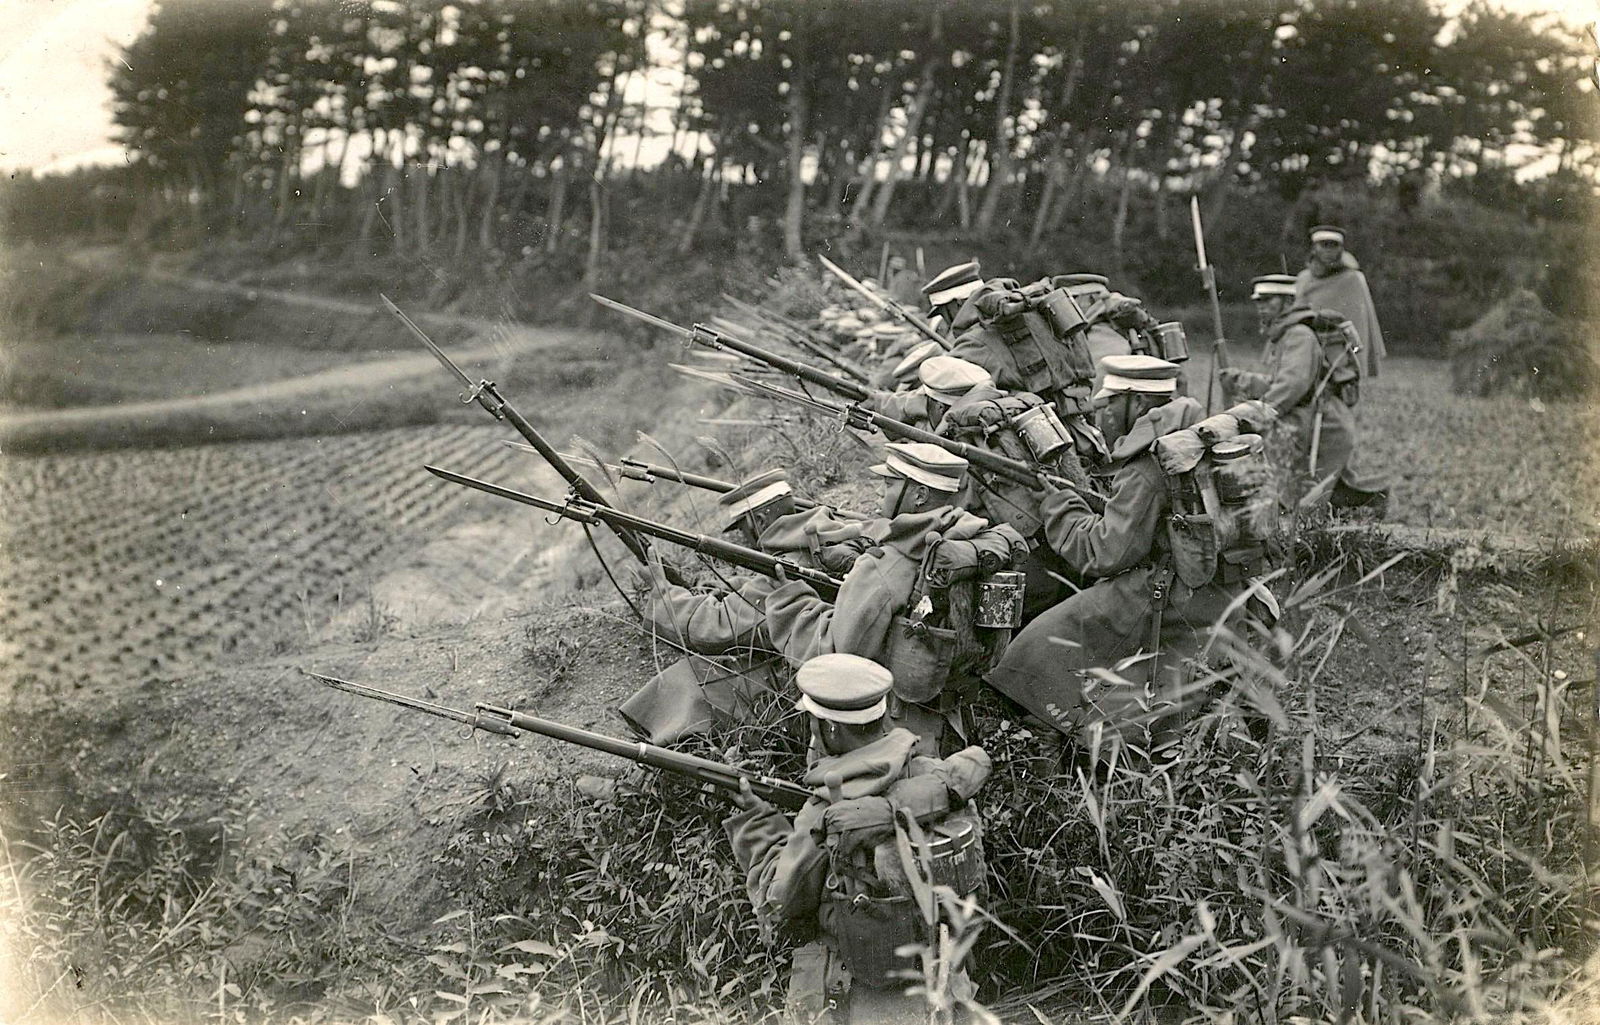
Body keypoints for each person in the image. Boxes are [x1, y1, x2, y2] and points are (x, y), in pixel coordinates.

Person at [984, 355, 1277, 754]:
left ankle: (1062, 751)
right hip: (1221, 591)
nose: (1100, 412)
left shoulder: (1151, 464)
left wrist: (1056, 503)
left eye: (1110, 403)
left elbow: (1101, 553)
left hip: (1163, 596)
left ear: (1137, 404)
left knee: (1038, 648)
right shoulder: (1202, 439)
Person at [725, 653, 991, 1024]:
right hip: (941, 983)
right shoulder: (933, 777)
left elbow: (779, 901)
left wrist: (756, 821)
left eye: (815, 723)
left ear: (830, 730)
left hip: (856, 995)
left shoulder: (825, 813)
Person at [764, 443, 1028, 750]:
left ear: (918, 496)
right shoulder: (968, 543)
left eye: (889, 484)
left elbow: (837, 656)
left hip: (892, 734)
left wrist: (790, 598)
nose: (880, 493)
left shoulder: (884, 566)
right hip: (954, 727)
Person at [619, 473, 877, 744]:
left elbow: (715, 628)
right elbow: (757, 593)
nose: (744, 538)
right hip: (845, 662)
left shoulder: (787, 569)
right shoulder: (834, 535)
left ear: (760, 522)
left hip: (810, 686)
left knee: (693, 677)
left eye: (743, 528)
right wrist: (730, 587)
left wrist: (662, 591)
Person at [1220, 274, 1388, 512]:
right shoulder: (1288, 333)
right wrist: (1242, 381)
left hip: (1322, 427)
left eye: (1269, 301)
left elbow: (1293, 385)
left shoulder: (1298, 334)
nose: (1261, 307)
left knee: (1302, 500)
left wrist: (1257, 415)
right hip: (1315, 423)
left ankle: (1375, 502)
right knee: (1314, 495)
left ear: (1288, 303)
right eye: (1259, 302)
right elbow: (1288, 383)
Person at [1293, 225, 1387, 378]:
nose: (1329, 251)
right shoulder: (1304, 278)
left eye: (1334, 245)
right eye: (1324, 245)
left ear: (1341, 249)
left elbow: (1360, 322)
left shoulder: (1353, 278)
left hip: (1339, 347)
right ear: (1314, 248)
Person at [920, 261, 985, 335]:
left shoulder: (975, 335)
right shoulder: (992, 322)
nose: (947, 323)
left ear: (958, 304)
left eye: (945, 315)